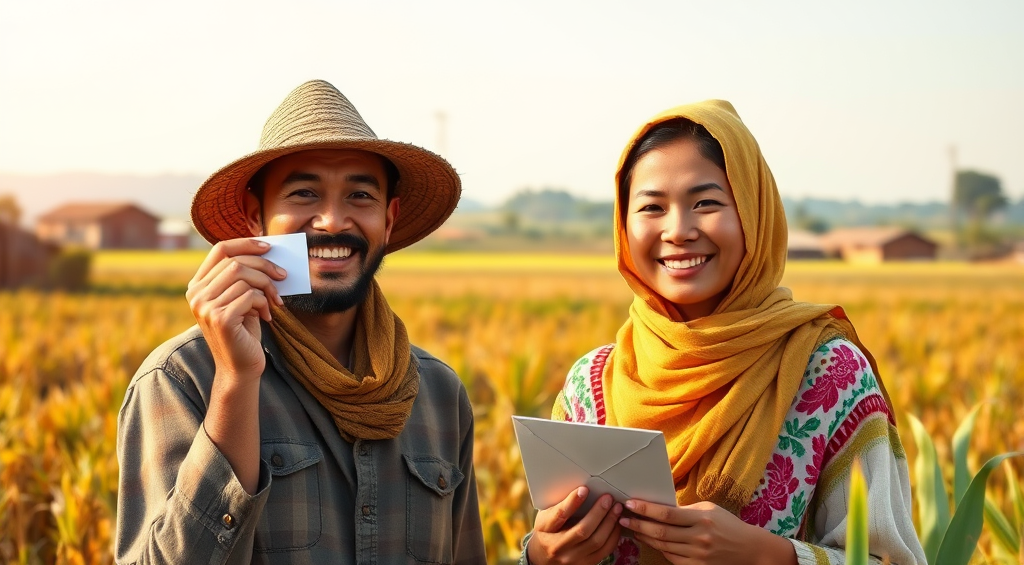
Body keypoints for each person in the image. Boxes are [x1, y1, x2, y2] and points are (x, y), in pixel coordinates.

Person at [522, 101, 926, 565]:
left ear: (753, 213)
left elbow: (891, 560)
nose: (678, 230)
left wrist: (767, 555)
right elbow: (546, 538)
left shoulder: (829, 372)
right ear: (623, 226)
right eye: (652, 207)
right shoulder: (590, 385)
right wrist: (540, 555)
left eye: (706, 203)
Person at [115, 80, 486, 564]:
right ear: (255, 217)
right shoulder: (184, 380)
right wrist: (235, 380)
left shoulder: (437, 393)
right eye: (305, 192)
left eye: (360, 195)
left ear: (389, 220)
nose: (333, 221)